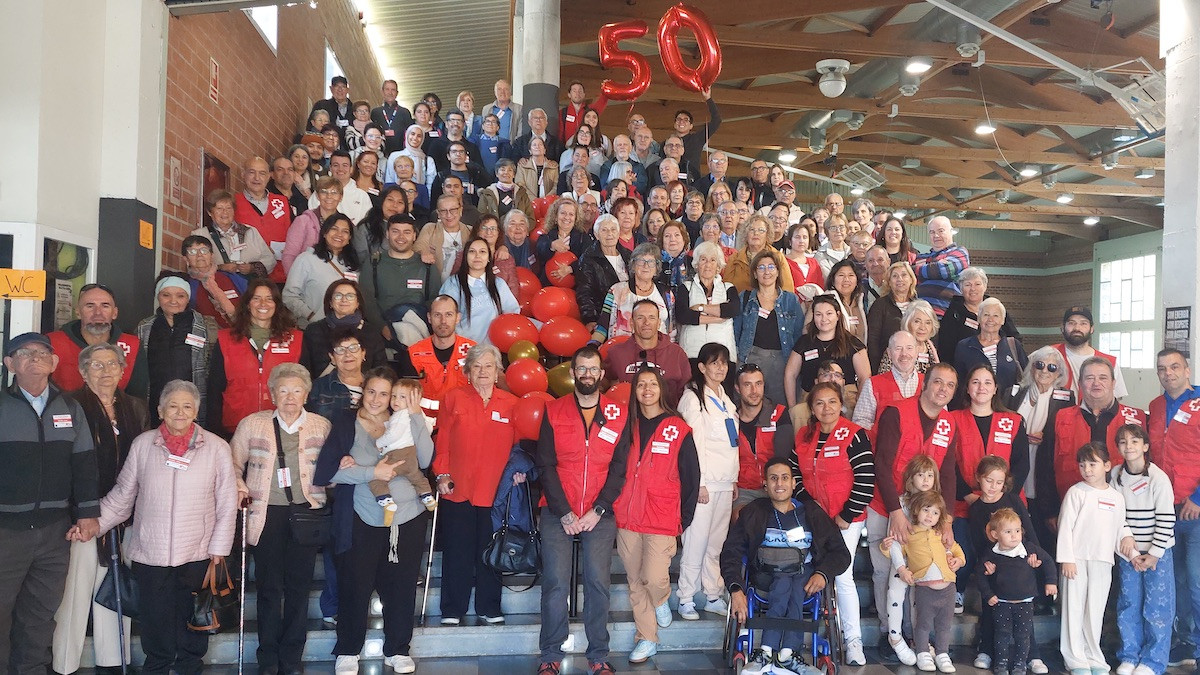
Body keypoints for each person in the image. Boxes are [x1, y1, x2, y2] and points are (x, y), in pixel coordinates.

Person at [96, 379, 237, 675]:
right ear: (160, 411)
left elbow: (226, 500)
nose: (180, 412)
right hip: (151, 548)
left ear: (196, 411)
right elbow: (123, 494)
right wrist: (93, 524)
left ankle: (189, 665)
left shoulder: (216, 447)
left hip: (198, 549)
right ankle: (157, 666)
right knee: (154, 615)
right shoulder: (143, 444)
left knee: (193, 615)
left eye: (187, 406)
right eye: (173, 406)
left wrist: (220, 546)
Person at [314, 368, 431, 675]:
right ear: (362, 392)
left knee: (401, 587)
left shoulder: (403, 421)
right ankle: (348, 650)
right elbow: (326, 473)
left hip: (407, 518)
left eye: (384, 394)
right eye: (371, 392)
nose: (377, 400)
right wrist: (370, 473)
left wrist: (416, 416)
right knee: (355, 586)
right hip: (361, 517)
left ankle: (398, 649)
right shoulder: (346, 423)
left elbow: (425, 461)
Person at [51, 343, 147, 675]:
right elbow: (62, 463)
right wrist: (83, 511)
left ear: (123, 370)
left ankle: (113, 662)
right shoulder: (68, 405)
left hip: (125, 513)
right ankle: (64, 664)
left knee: (116, 589)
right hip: (81, 516)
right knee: (75, 593)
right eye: (97, 365)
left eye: (112, 364)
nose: (106, 371)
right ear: (82, 371)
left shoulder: (136, 407)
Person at [229, 364, 331, 675]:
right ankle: (268, 658)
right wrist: (240, 487)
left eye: (296, 390)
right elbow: (232, 464)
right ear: (272, 394)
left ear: (306, 394)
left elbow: (334, 468)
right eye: (283, 391)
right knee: (269, 588)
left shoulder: (321, 426)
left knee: (299, 588)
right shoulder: (253, 424)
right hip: (265, 514)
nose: (290, 397)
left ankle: (291, 658)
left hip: (306, 513)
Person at [535, 346, 630, 675]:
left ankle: (598, 655)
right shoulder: (553, 410)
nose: (587, 374)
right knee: (555, 584)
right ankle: (550, 654)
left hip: (599, 513)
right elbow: (545, 464)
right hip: (557, 511)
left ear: (601, 374)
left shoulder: (619, 413)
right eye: (581, 368)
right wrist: (563, 511)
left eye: (593, 369)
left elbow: (619, 468)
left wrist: (598, 509)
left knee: (598, 584)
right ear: (573, 372)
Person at [721, 458, 851, 675]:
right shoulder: (753, 512)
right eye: (773, 478)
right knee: (783, 579)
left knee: (795, 580)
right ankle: (786, 656)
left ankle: (769, 652)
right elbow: (731, 552)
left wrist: (823, 573)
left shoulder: (811, 513)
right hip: (765, 575)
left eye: (784, 478)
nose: (779, 483)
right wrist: (736, 589)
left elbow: (840, 552)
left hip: (805, 576)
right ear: (765, 484)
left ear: (793, 483)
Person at [866, 363, 960, 649]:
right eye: (938, 382)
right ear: (924, 384)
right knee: (886, 571)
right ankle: (888, 633)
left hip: (925, 513)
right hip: (885, 503)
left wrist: (947, 520)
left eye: (950, 385)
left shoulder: (949, 423)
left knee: (918, 569)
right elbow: (881, 464)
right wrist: (895, 512)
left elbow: (948, 474)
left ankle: (914, 634)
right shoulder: (896, 412)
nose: (943, 389)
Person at [614, 367, 700, 664]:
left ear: (661, 389)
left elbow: (691, 476)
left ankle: (661, 599)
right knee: (635, 581)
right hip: (628, 515)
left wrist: (684, 517)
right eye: (641, 385)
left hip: (661, 516)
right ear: (635, 391)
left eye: (652, 384)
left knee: (653, 578)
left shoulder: (678, 427)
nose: (647, 389)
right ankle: (647, 638)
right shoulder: (628, 425)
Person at [430, 344, 518, 625]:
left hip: (495, 491)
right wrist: (442, 473)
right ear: (467, 371)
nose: (482, 371)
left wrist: (519, 472)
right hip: (458, 487)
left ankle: (488, 607)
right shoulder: (453, 398)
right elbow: (442, 439)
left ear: (497, 371)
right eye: (476, 366)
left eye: (488, 366)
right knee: (457, 550)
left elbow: (518, 448)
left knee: (491, 551)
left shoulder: (511, 403)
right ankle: (452, 609)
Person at [791, 381, 874, 665]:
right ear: (811, 408)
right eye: (819, 403)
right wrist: (809, 506)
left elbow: (866, 480)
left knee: (842, 575)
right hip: (813, 519)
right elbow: (793, 474)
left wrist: (846, 515)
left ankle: (853, 641)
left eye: (832, 402)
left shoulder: (855, 435)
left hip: (845, 520)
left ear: (841, 405)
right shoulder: (804, 436)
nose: (826, 408)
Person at [950, 363, 1031, 613]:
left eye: (987, 382)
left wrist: (1000, 500)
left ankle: (1003, 599)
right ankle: (958, 591)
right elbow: (947, 463)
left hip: (1006, 507)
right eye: (975, 382)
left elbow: (1021, 464)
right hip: (965, 504)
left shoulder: (1013, 421)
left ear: (996, 388)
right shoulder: (952, 420)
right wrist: (969, 495)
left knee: (1004, 557)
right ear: (967, 388)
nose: (981, 387)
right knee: (963, 554)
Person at [1035, 356, 1146, 538]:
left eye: (1103, 378)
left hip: (1124, 517)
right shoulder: (1060, 417)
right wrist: (1050, 511)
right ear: (1080, 384)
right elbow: (1044, 466)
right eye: (1089, 378)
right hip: (1072, 514)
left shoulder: (1136, 418)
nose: (1096, 383)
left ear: (1113, 383)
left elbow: (1147, 467)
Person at [1057, 441, 1138, 675]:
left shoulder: (1116, 497)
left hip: (1102, 560)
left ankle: (1094, 656)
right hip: (1076, 560)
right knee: (1073, 609)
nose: (1087, 470)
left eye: (1093, 464)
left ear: (1107, 465)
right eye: (1083, 465)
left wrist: (1133, 553)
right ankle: (1074, 658)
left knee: (1094, 611)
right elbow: (1065, 527)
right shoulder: (1076, 492)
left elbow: (1119, 529)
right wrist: (1067, 558)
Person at [676, 343, 738, 621]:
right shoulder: (693, 397)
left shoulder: (725, 397)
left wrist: (734, 478)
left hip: (725, 481)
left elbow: (732, 444)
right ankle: (686, 597)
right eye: (714, 363)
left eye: (723, 363)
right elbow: (693, 445)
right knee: (695, 542)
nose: (720, 368)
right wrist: (697, 483)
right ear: (701, 367)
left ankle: (712, 594)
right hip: (704, 483)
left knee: (715, 543)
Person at [1146, 350, 1200, 667]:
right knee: (1176, 582)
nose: (1168, 373)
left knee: (1197, 581)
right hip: (1166, 510)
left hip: (1195, 510)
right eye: (1162, 369)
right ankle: (1187, 643)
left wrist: (1199, 498)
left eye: (1175, 367)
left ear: (1187, 370)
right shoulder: (1155, 406)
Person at [1110, 424, 1176, 675]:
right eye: (1123, 442)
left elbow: (1167, 518)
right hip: (1130, 553)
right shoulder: (1115, 475)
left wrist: (1154, 554)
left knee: (1157, 606)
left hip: (1158, 553)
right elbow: (1116, 515)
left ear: (1145, 446)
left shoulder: (1158, 478)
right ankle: (1129, 655)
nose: (1129, 447)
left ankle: (1153, 661)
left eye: (1135, 441)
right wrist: (1131, 549)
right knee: (1129, 603)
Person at [207, 279, 303, 437]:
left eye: (269, 299)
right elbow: (215, 388)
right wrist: (215, 431)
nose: (263, 304)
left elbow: (306, 386)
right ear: (247, 304)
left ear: (277, 305)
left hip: (282, 427)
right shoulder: (226, 339)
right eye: (256, 298)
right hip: (235, 428)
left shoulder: (296, 340)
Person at [885, 490, 965, 673]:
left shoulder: (940, 534)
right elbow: (894, 551)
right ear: (916, 511)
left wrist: (959, 560)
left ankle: (942, 653)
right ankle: (922, 653)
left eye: (935, 512)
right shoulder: (909, 533)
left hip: (948, 588)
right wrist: (885, 546)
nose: (930, 516)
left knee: (944, 625)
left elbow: (957, 549)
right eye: (926, 510)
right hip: (925, 589)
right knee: (923, 624)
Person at [976, 508, 1057, 675]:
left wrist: (1051, 582)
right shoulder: (992, 553)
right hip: (1002, 603)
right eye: (1008, 532)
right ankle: (1001, 663)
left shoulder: (1028, 548)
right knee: (1002, 634)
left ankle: (1020, 664)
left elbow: (1048, 561)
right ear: (995, 534)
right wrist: (988, 594)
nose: (1014, 536)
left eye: (1017, 531)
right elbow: (979, 574)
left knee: (1023, 635)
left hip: (1025, 603)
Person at [133, 274, 220, 426]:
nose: (173, 301)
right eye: (166, 295)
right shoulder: (144, 328)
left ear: (188, 298)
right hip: (155, 406)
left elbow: (215, 372)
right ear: (158, 297)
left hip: (193, 406)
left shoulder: (207, 326)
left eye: (180, 296)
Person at [733, 251, 805, 406]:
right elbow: (735, 331)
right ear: (755, 273)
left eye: (771, 267)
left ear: (778, 272)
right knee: (747, 406)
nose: (767, 271)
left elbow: (799, 335)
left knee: (779, 410)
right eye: (761, 267)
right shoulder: (745, 297)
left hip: (782, 362)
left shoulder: (790, 300)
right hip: (750, 360)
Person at [48, 283, 147, 395]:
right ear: (78, 312)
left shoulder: (132, 345)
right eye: (90, 306)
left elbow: (137, 398)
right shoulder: (53, 343)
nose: (98, 313)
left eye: (105, 306)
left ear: (115, 313)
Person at [359, 215, 441, 345]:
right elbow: (366, 300)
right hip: (384, 335)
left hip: (420, 333)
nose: (401, 237)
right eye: (395, 231)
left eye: (407, 232)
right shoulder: (374, 263)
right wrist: (382, 327)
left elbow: (435, 300)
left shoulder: (427, 266)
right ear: (387, 234)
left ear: (414, 236)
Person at [782, 294, 870, 409]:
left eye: (829, 314)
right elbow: (790, 374)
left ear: (838, 315)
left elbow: (865, 377)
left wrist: (860, 407)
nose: (824, 319)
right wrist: (792, 407)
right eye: (819, 314)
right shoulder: (804, 342)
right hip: (810, 400)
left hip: (846, 401)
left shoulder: (853, 343)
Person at [600, 300, 692, 407]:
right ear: (631, 322)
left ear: (659, 323)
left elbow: (687, 393)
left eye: (651, 318)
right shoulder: (616, 353)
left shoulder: (677, 353)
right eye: (640, 318)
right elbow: (603, 384)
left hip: (668, 414)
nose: (646, 322)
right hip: (627, 415)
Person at [732, 364, 795, 512]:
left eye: (758, 384)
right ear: (737, 388)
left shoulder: (779, 413)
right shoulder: (729, 417)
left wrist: (774, 486)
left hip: (775, 485)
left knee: (773, 518)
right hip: (744, 488)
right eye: (747, 385)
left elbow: (782, 458)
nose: (754, 391)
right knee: (744, 517)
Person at [298, 279, 387, 380]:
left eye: (350, 296)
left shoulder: (371, 332)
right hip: (323, 387)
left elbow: (381, 369)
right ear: (330, 302)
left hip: (362, 387)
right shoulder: (314, 330)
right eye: (338, 296)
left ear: (358, 303)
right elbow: (305, 369)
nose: (344, 300)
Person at [284, 213, 362, 328]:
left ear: (349, 238)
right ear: (324, 233)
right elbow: (289, 295)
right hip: (314, 328)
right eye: (334, 229)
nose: (339, 234)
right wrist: (310, 315)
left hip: (347, 330)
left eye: (345, 231)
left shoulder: (353, 264)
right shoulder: (306, 259)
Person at [407, 295, 476, 423]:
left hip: (464, 422)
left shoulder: (474, 352)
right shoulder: (413, 353)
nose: (443, 321)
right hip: (425, 423)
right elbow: (406, 395)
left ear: (458, 318)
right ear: (429, 318)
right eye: (437, 315)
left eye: (449, 314)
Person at [439, 237, 520, 345]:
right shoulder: (453, 283)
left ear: (488, 257)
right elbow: (444, 317)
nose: (477, 256)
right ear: (465, 256)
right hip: (461, 347)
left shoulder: (499, 284)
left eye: (482, 252)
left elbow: (512, 314)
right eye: (472, 252)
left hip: (492, 349)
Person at [938, 267, 1021, 367]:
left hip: (1000, 367)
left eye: (977, 284)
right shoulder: (953, 314)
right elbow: (945, 350)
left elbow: (1014, 339)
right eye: (968, 285)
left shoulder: (997, 308)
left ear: (985, 286)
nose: (973, 289)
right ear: (961, 289)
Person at [954, 298, 1028, 408]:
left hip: (1008, 408)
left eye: (996, 316)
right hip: (974, 408)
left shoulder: (1013, 345)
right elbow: (959, 382)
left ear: (1003, 320)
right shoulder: (964, 346)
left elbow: (1027, 376)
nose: (990, 319)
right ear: (979, 318)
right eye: (986, 315)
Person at [591, 243, 670, 343]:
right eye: (641, 261)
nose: (646, 266)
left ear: (656, 268)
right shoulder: (616, 290)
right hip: (622, 348)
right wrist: (592, 346)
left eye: (651, 262)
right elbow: (603, 326)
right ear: (633, 265)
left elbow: (671, 329)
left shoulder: (666, 293)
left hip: (657, 350)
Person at [675, 242, 739, 363]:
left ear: (718, 265)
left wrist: (701, 307)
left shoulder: (728, 288)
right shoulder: (686, 287)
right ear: (696, 264)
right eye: (703, 259)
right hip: (692, 352)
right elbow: (683, 315)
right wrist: (718, 318)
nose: (708, 264)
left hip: (723, 353)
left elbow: (732, 310)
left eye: (713, 260)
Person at [234, 157, 293, 282]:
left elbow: (294, 235)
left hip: (280, 275)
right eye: (252, 172)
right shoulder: (234, 203)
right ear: (243, 174)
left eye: (262, 173)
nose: (257, 178)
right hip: (249, 276)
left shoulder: (282, 202)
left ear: (269, 176)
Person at [1053, 306, 1130, 399]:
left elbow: (1116, 398)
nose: (1077, 328)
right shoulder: (1049, 355)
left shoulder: (1108, 362)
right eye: (1071, 323)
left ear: (1092, 328)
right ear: (1062, 327)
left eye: (1083, 323)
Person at [852, 330, 923, 430]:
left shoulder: (929, 383)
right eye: (898, 348)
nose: (904, 354)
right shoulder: (872, 384)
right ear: (889, 353)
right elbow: (860, 421)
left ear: (917, 351)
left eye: (909, 348)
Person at [576, 215, 631, 331]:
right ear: (597, 235)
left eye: (613, 229)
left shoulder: (629, 255)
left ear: (618, 233)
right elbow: (585, 292)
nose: (609, 234)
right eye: (604, 230)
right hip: (604, 317)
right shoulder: (588, 258)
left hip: (631, 313)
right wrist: (590, 319)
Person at [181, 234, 247, 329]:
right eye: (192, 252)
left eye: (204, 250)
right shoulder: (186, 285)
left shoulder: (231, 278)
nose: (199, 255)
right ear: (185, 259)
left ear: (212, 255)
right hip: (206, 335)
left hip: (240, 332)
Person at [866, 262, 917, 372]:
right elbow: (872, 340)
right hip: (888, 364)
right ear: (889, 282)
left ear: (911, 279)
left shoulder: (919, 306)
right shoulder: (879, 305)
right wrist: (875, 368)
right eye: (895, 276)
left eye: (904, 275)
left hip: (916, 364)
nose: (900, 279)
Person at [913, 216, 969, 317]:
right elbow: (910, 276)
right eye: (932, 232)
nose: (936, 235)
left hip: (947, 317)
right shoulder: (920, 257)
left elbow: (944, 270)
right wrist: (934, 266)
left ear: (951, 231)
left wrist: (918, 268)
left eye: (941, 231)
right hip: (921, 315)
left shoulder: (960, 252)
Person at [723, 215, 794, 294]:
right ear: (746, 234)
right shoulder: (735, 259)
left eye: (761, 230)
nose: (756, 233)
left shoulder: (778, 257)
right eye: (751, 230)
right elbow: (726, 289)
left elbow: (788, 291)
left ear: (767, 234)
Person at [305, 151, 373, 227]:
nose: (340, 169)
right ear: (330, 168)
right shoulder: (320, 193)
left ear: (351, 169)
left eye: (345, 165)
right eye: (336, 165)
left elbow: (367, 225)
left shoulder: (362, 196)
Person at [417, 194, 473, 281]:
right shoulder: (430, 229)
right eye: (443, 211)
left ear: (460, 210)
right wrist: (423, 252)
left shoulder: (471, 231)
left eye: (453, 210)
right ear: (438, 214)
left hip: (464, 283)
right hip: (436, 284)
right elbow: (418, 247)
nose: (449, 215)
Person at [536, 196, 590, 285]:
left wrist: (570, 268)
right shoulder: (546, 237)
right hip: (548, 286)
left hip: (575, 287)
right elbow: (540, 251)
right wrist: (552, 245)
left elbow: (588, 260)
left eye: (571, 214)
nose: (566, 217)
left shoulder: (583, 238)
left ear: (576, 218)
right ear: (555, 217)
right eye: (563, 213)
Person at [882, 300, 940, 375]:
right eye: (917, 321)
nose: (922, 327)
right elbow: (883, 378)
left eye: (928, 323)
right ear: (907, 323)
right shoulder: (896, 346)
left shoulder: (931, 347)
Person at [673, 91, 721, 178]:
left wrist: (708, 99)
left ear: (691, 126)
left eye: (686, 120)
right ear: (674, 124)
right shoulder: (667, 143)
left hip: (693, 181)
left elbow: (716, 120)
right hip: (671, 181)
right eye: (679, 119)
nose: (681, 122)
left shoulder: (697, 139)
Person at [826, 259, 867, 344]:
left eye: (851, 275)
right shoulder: (825, 302)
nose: (846, 279)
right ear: (833, 280)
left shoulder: (861, 301)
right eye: (841, 275)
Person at [371, 79, 414, 155]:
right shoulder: (376, 112)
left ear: (397, 93)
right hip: (380, 153)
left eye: (393, 90)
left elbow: (410, 133)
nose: (390, 93)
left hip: (401, 152)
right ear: (382, 92)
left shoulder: (404, 112)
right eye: (387, 89)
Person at [785, 220, 824, 292]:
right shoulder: (783, 262)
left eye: (805, 237)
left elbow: (820, 286)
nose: (801, 241)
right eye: (797, 237)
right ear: (790, 241)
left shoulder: (814, 263)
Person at [470, 114, 512, 178]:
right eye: (487, 121)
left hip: (498, 178)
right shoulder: (473, 141)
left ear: (498, 127)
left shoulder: (505, 144)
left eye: (493, 122)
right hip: (477, 177)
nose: (490, 124)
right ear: (483, 126)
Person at [312, 75, 354, 140]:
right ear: (331, 89)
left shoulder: (355, 109)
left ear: (347, 90)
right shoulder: (321, 105)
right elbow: (312, 127)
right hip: (326, 142)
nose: (340, 90)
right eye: (336, 86)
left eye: (343, 86)